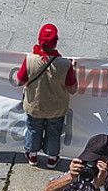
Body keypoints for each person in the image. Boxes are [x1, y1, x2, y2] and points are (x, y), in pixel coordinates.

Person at [13, 24, 76, 167]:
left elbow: (18, 81)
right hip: (56, 108)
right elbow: (72, 89)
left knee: (33, 129)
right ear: (56, 42)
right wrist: (74, 68)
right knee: (54, 132)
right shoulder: (65, 64)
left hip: (35, 106)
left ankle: (32, 156)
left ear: (39, 40)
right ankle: (52, 158)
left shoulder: (29, 59)